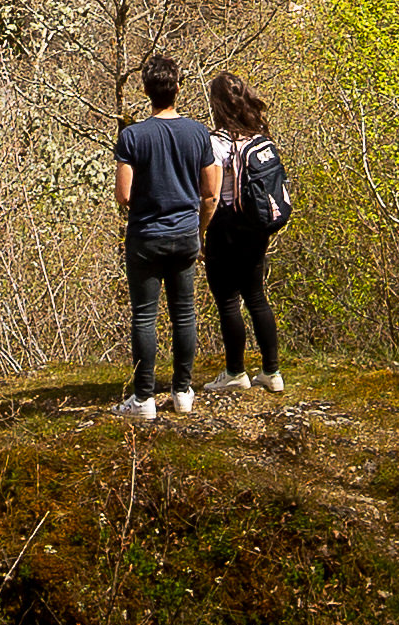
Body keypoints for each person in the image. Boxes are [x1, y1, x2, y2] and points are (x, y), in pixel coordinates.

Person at [113, 52, 218, 417]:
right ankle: (182, 391)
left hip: (146, 235)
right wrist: (200, 231)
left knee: (144, 316)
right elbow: (211, 193)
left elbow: (124, 194)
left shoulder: (133, 136)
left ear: (146, 91)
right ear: (177, 87)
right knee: (184, 313)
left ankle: (143, 399)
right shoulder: (198, 133)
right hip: (185, 234)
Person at [205, 71, 290, 394]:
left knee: (228, 301)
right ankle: (272, 371)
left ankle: (235, 372)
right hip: (256, 225)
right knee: (256, 297)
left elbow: (211, 195)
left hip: (226, 226)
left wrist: (200, 232)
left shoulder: (217, 142)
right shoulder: (258, 136)